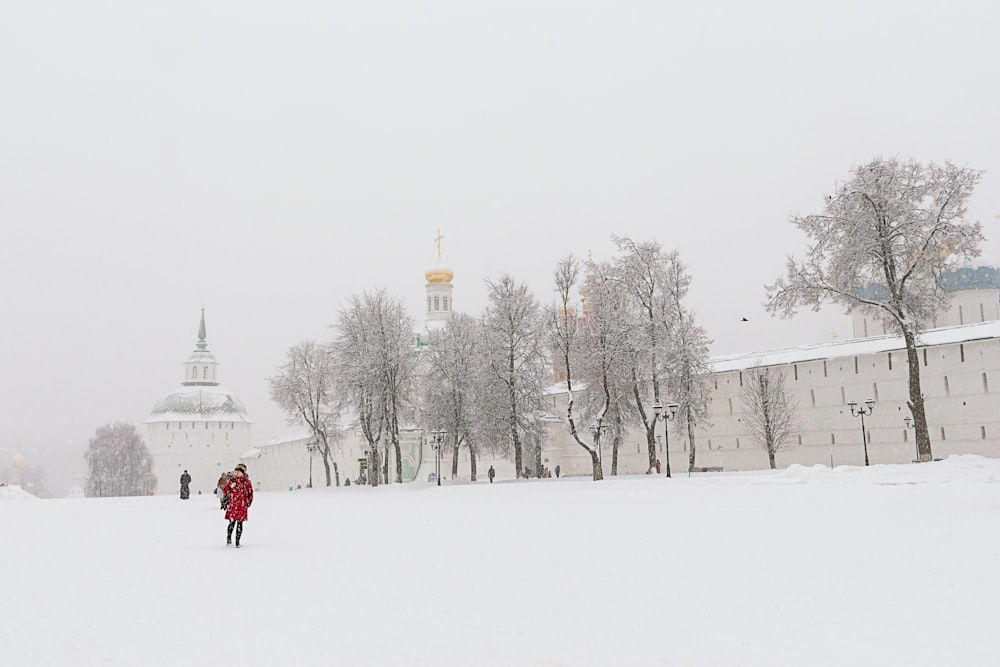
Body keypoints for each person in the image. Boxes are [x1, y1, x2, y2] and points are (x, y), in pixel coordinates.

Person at [225, 463, 254, 548]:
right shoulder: (232, 481)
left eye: (238, 471)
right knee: (231, 523)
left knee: (240, 524)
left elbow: (250, 493)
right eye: (236, 471)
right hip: (233, 505)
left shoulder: (246, 482)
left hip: (242, 506)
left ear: (243, 472)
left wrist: (248, 503)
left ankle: (237, 541)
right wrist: (230, 487)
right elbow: (226, 490)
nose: (236, 473)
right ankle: (229, 539)